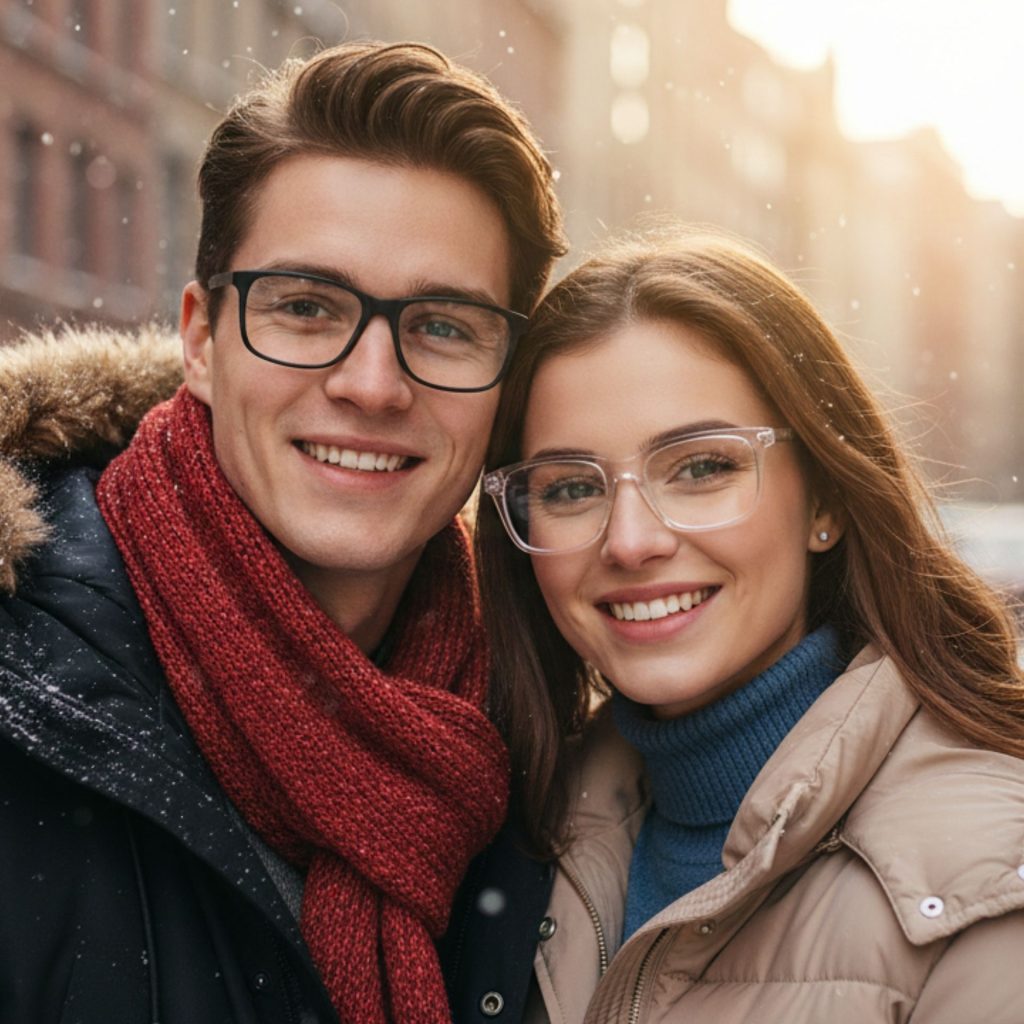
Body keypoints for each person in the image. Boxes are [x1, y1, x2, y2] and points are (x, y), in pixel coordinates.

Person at [0, 41, 565, 1024]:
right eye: (306, 307)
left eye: (442, 326)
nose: (372, 384)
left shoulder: (550, 745)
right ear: (201, 340)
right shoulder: (18, 694)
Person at [466, 228, 1024, 1023]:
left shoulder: (987, 881)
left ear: (825, 501)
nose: (631, 541)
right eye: (568, 488)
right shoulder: (512, 842)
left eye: (701, 468)